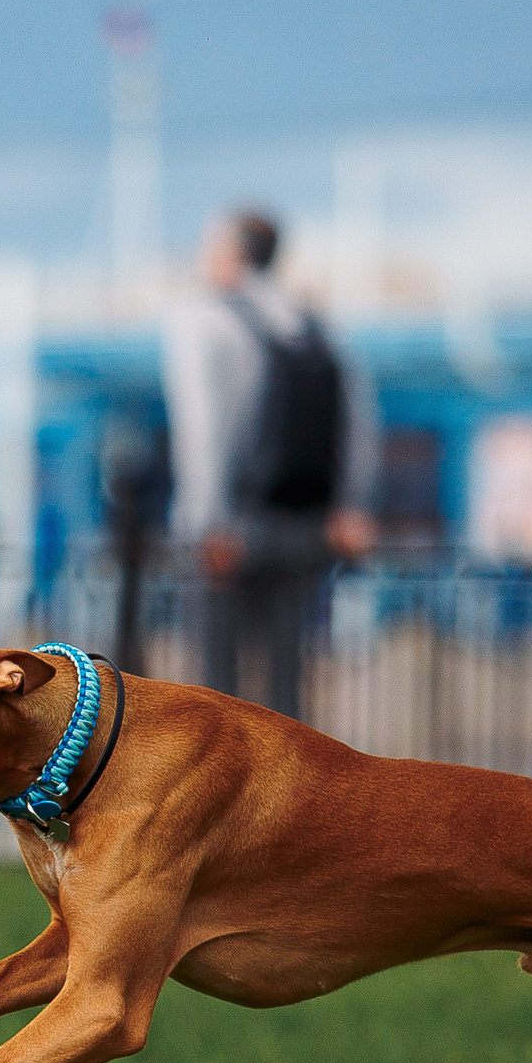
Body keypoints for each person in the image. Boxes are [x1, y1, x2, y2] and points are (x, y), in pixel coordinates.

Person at [164, 207, 379, 721]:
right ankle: (290, 794)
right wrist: (351, 506)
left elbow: (204, 429)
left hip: (234, 526)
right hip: (307, 524)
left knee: (216, 689)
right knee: (288, 682)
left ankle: (224, 799)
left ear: (232, 252)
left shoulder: (206, 320)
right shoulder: (314, 325)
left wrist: (204, 522)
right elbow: (359, 420)